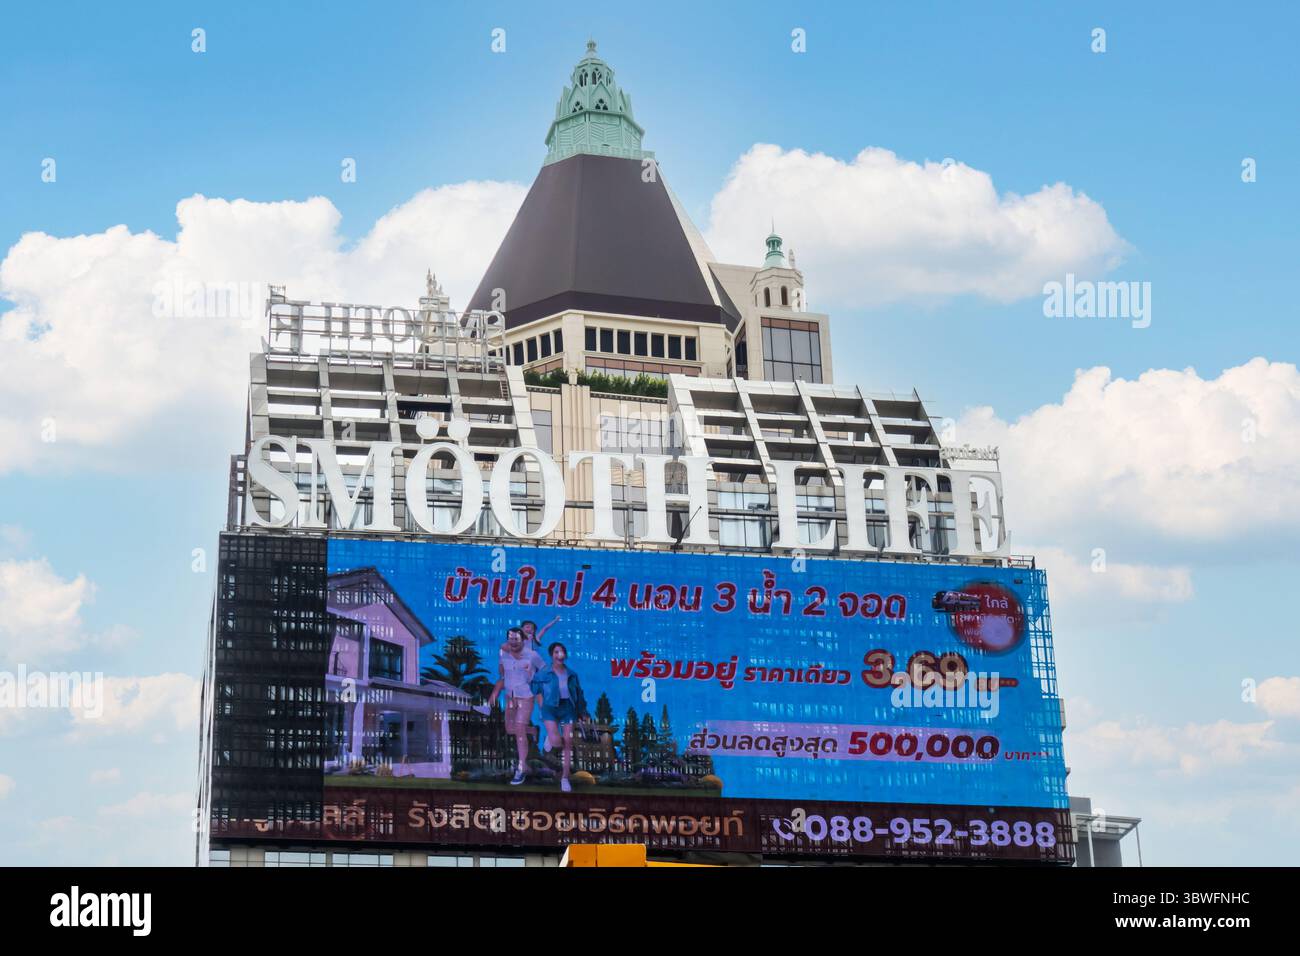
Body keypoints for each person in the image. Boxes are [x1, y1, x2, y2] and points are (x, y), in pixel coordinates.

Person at [486, 627, 545, 786]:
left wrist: (532, 674)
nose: (513, 642)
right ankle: (533, 731)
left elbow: (545, 671)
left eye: (516, 639)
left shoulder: (532, 655)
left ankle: (521, 767)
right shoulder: (504, 653)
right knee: (509, 729)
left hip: (526, 696)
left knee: (519, 731)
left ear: (523, 640)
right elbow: (502, 672)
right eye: (510, 639)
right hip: (510, 696)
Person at [530, 642, 587, 793]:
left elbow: (579, 694)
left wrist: (582, 712)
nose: (559, 655)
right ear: (552, 655)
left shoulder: (572, 674)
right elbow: (536, 690)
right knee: (556, 742)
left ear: (565, 655)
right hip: (550, 708)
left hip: (568, 708)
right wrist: (541, 707)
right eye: (556, 652)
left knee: (568, 743)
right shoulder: (543, 673)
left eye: (562, 652)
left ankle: (565, 778)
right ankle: (550, 738)